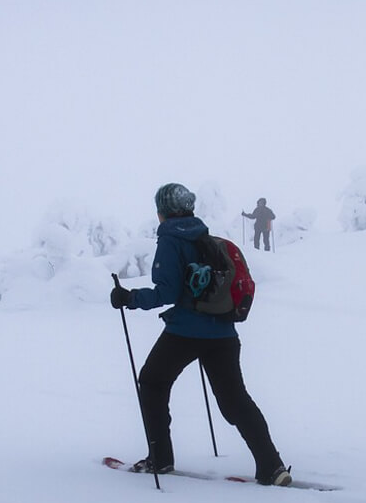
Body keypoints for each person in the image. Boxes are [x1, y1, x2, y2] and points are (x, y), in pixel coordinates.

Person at [111, 183, 291, 486]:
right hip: (223, 333)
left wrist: (129, 299)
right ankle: (272, 466)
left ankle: (161, 459)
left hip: (184, 332)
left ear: (162, 212)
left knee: (153, 383)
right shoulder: (206, 237)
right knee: (235, 400)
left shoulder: (170, 240)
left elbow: (167, 293)